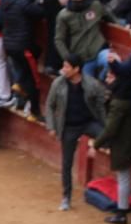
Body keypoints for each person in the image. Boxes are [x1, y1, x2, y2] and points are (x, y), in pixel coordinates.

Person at [44, 55, 108, 212]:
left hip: (88, 123)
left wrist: (105, 124)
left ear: (76, 69)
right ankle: (66, 197)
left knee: (107, 137)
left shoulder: (91, 84)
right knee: (66, 164)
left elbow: (102, 101)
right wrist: (51, 126)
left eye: (67, 67)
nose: (63, 69)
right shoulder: (58, 84)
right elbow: (50, 105)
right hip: (69, 127)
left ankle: (94, 146)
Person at [96, 55, 131, 224]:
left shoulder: (119, 101)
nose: (107, 78)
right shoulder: (128, 95)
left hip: (125, 141)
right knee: (123, 176)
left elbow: (111, 128)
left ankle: (122, 212)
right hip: (130, 138)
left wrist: (95, 144)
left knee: (123, 176)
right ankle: (122, 207)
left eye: (111, 76)